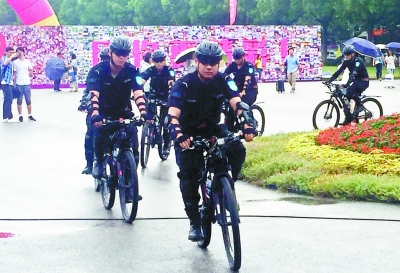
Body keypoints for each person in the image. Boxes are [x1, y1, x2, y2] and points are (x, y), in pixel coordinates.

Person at [166, 41, 255, 241]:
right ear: (197, 62)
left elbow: (237, 102)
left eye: (214, 62)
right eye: (205, 62)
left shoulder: (224, 80)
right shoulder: (184, 83)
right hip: (187, 134)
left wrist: (247, 123)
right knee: (188, 176)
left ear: (219, 63)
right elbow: (172, 113)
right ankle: (195, 222)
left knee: (236, 148)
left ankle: (228, 189)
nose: (209, 66)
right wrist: (178, 133)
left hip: (213, 128)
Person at [86, 36, 148, 178]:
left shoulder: (132, 71)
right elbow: (93, 94)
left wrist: (144, 112)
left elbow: (138, 92)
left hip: (123, 112)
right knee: (99, 133)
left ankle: (130, 182)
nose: (122, 57)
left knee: (133, 146)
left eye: (125, 54)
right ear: (110, 53)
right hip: (102, 112)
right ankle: (99, 162)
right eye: (118, 54)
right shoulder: (97, 71)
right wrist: (95, 113)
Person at [79, 47, 110, 175]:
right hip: (96, 110)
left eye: (107, 59)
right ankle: (90, 163)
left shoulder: (120, 73)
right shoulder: (95, 72)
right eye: (103, 59)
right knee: (90, 135)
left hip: (115, 109)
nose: (105, 62)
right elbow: (88, 91)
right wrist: (84, 103)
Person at [141, 49, 175, 155]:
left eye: (161, 61)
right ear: (153, 61)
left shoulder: (169, 69)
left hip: (166, 97)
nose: (159, 63)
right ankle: (151, 132)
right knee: (149, 117)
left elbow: (171, 81)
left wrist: (171, 90)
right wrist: (138, 89)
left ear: (164, 61)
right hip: (153, 96)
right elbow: (142, 79)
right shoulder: (150, 70)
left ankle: (166, 145)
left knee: (165, 123)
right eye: (156, 61)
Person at [325, 45, 369, 125]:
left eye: (347, 54)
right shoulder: (346, 62)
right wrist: (329, 80)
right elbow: (338, 72)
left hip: (363, 82)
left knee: (350, 91)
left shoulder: (358, 62)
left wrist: (346, 84)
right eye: (345, 54)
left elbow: (353, 74)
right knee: (344, 96)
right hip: (355, 82)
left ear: (352, 54)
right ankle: (348, 117)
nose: (346, 56)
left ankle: (360, 106)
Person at [224, 47, 258, 132]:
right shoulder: (232, 66)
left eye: (238, 58)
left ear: (243, 57)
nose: (237, 60)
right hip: (237, 91)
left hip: (250, 90)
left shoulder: (249, 66)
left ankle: (250, 123)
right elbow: (224, 76)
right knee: (230, 106)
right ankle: (230, 127)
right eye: (235, 58)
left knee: (243, 104)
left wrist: (243, 91)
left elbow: (248, 80)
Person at [13, 46, 35, 122]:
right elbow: (15, 73)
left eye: (20, 52)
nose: (19, 53)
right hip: (19, 83)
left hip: (26, 83)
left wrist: (30, 73)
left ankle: (30, 115)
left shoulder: (27, 62)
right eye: (17, 52)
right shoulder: (15, 62)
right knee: (19, 100)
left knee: (28, 100)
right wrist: (14, 84)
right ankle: (20, 115)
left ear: (23, 52)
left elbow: (31, 71)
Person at [1, 47, 17, 122]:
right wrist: (11, 57)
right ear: (7, 52)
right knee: (9, 99)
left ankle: (5, 117)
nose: (12, 53)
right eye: (11, 52)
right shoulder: (4, 58)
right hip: (5, 82)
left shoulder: (12, 61)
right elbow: (4, 64)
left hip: (9, 82)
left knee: (7, 99)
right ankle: (10, 117)